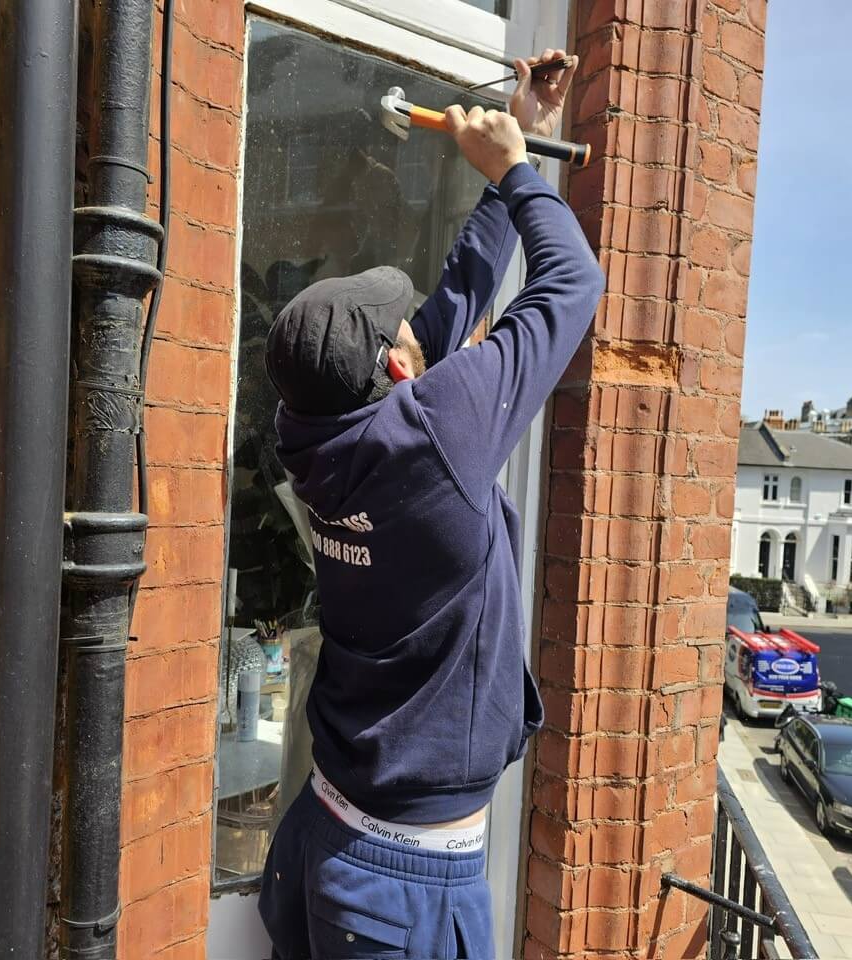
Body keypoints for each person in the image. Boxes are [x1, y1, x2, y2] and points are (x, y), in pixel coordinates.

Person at [258, 49, 604, 959]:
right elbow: (573, 284)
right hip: (402, 888)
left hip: (329, 828)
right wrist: (519, 173)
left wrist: (515, 136)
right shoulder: (432, 436)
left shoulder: (314, 432)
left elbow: (449, 309)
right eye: (402, 331)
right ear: (405, 375)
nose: (421, 327)